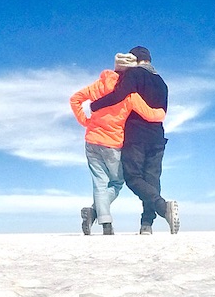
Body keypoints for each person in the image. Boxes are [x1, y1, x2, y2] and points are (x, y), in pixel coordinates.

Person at [69, 53, 164, 235]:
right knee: (116, 183)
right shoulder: (128, 93)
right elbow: (150, 114)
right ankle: (98, 215)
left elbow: (75, 99)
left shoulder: (97, 86)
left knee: (99, 183)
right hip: (113, 143)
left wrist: (85, 121)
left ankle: (103, 220)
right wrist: (161, 113)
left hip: (91, 141)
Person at [89, 45, 179, 234]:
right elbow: (163, 112)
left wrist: (96, 105)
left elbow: (118, 95)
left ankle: (163, 207)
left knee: (132, 177)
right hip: (157, 137)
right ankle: (147, 224)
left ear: (135, 60)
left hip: (136, 136)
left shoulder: (134, 74)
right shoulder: (162, 82)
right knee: (152, 178)